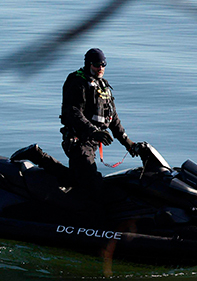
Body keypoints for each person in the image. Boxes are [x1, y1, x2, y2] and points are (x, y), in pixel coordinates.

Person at [60, 48, 140, 194]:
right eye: (97, 64)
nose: (101, 68)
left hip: (93, 142)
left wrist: (127, 142)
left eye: (103, 64)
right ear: (88, 64)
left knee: (76, 178)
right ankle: (39, 156)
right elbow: (72, 112)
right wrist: (93, 131)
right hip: (79, 141)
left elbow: (112, 117)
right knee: (92, 186)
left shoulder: (103, 86)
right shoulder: (77, 83)